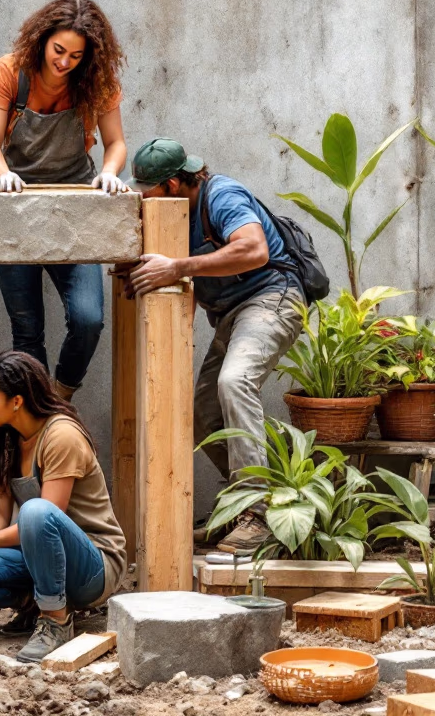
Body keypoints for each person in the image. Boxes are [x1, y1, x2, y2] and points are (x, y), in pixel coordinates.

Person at [126, 138, 305, 555]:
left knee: (235, 381)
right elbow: (183, 285)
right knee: (204, 409)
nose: (142, 197)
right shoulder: (175, 216)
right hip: (230, 314)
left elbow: (254, 249)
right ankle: (242, 504)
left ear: (172, 184)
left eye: (147, 189)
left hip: (272, 298)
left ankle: (258, 515)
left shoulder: (221, 196)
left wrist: (179, 266)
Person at [0, 351, 127, 663]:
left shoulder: (61, 435)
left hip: (93, 566)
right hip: (39, 559)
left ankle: (56, 621)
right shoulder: (0, 438)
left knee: (35, 511)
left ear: (16, 401)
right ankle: (34, 601)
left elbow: (48, 516)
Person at [0, 0, 129, 401]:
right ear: (43, 39)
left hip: (73, 203)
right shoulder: (10, 71)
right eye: (58, 50)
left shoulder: (98, 82)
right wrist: (3, 173)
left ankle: (59, 396)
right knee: (27, 329)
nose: (64, 62)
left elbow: (115, 144)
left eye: (76, 56)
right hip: (13, 200)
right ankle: (36, 417)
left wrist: (109, 174)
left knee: (88, 318)